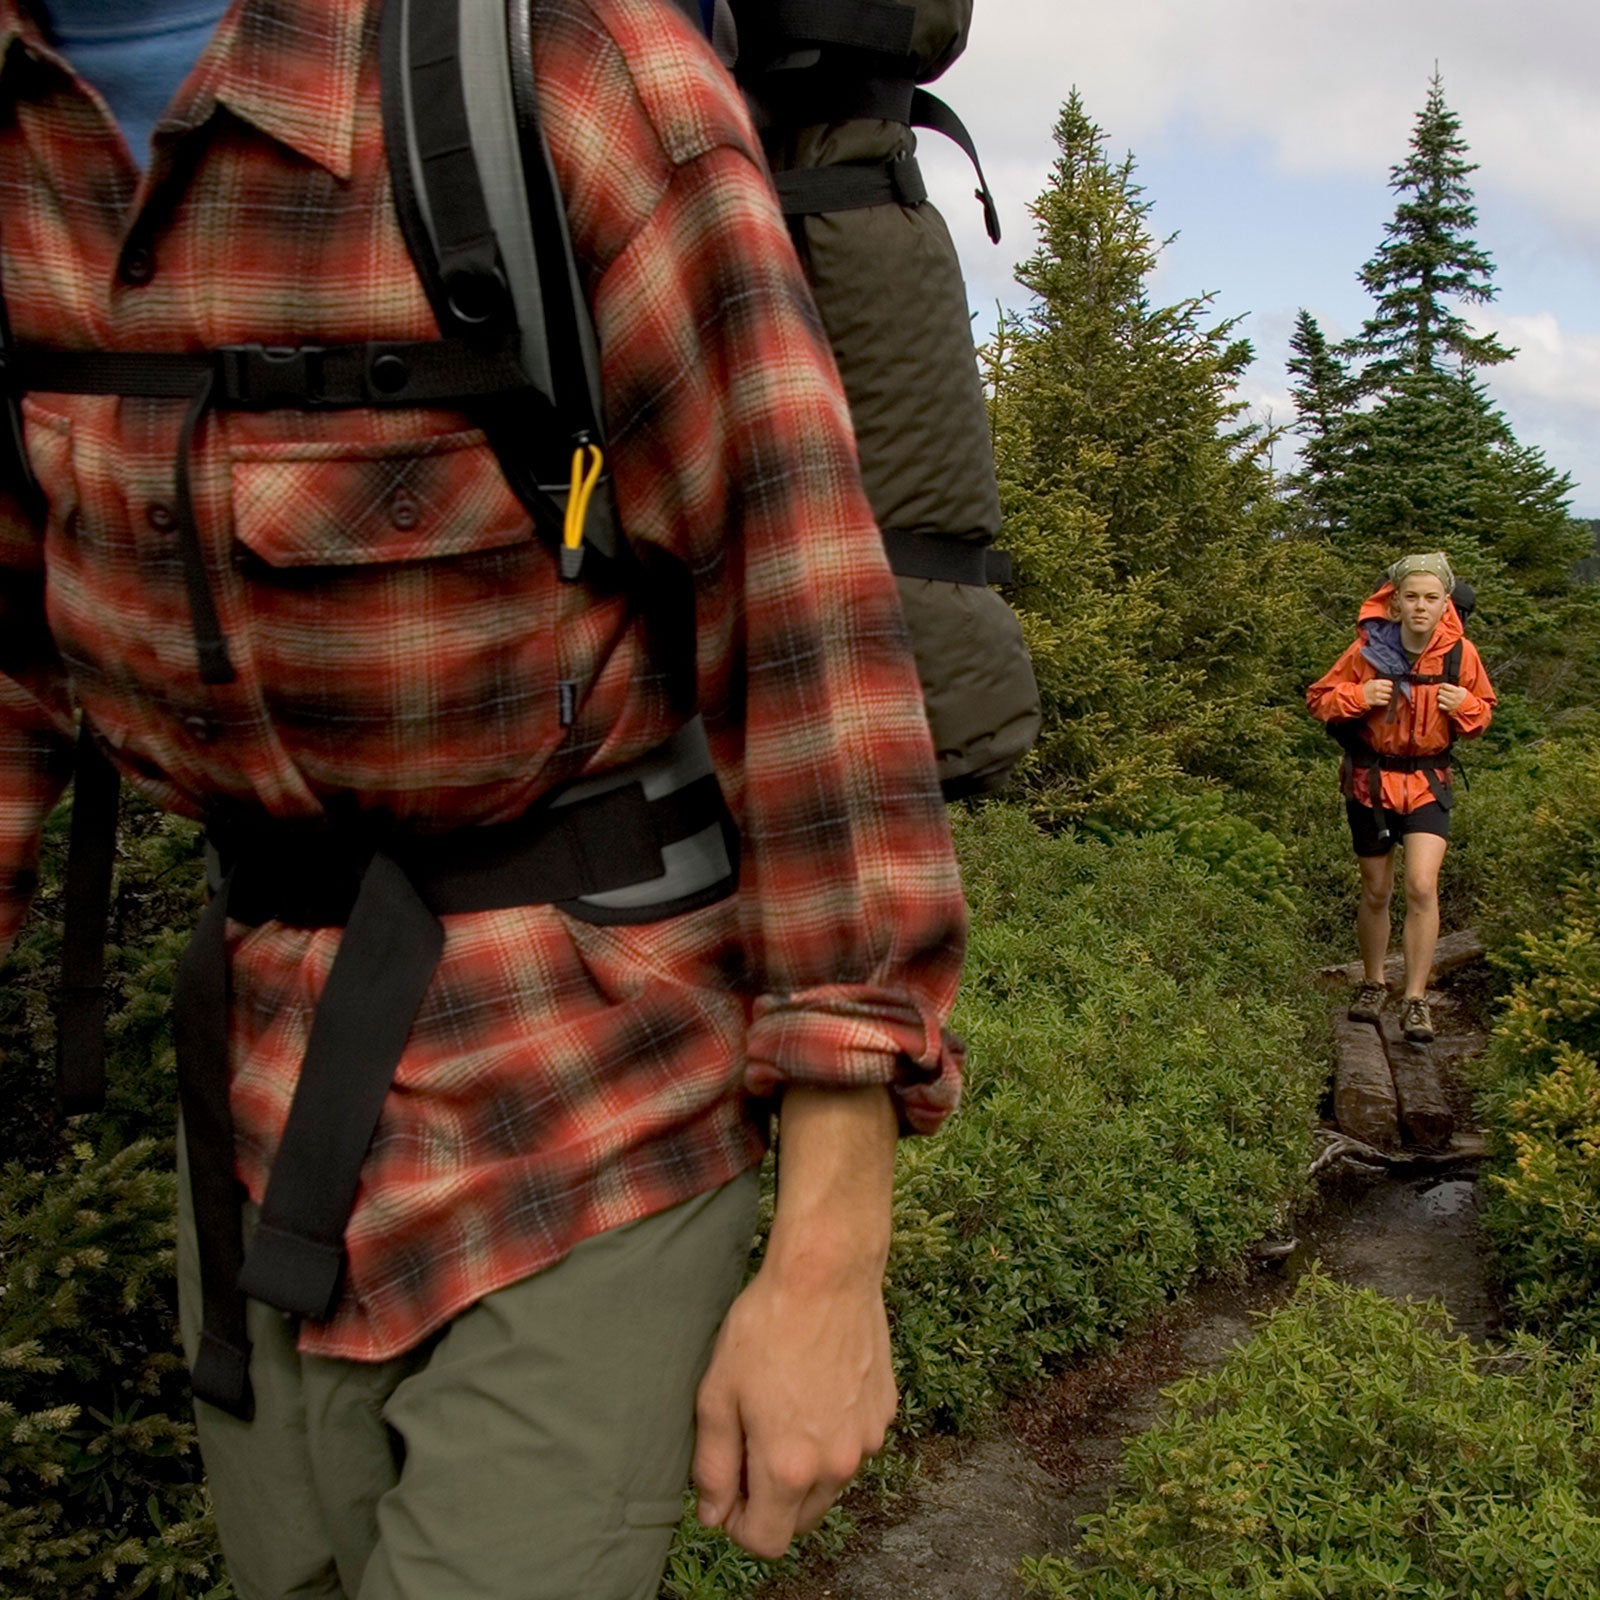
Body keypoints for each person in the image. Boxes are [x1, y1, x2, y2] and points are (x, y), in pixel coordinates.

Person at [0, 1, 967, 1596]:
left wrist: (829, 1262)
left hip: (589, 1076)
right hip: (250, 1095)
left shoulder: (570, 70)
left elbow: (808, 638)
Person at [1307, 552, 1494, 1043]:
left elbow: (1482, 716)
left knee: (1421, 885)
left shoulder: (1460, 655)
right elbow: (1319, 699)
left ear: (1444, 604)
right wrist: (1358, 698)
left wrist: (1467, 705)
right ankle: (1373, 983)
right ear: (1394, 602)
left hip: (1429, 782)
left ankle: (1415, 1000)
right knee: (1376, 890)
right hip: (1370, 782)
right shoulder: (1365, 651)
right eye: (1410, 596)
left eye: (1431, 598)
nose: (1419, 606)